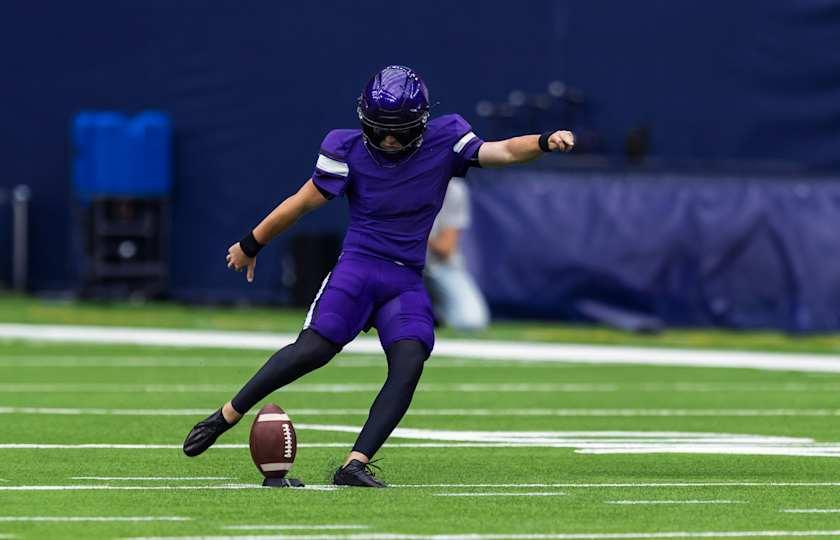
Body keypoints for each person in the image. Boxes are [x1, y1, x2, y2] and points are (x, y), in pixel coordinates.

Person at [182, 65, 574, 488]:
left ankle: (355, 463)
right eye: (380, 129)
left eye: (400, 131)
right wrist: (250, 243)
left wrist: (543, 142)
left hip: (405, 279)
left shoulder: (446, 139)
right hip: (359, 268)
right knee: (311, 350)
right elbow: (301, 203)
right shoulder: (346, 148)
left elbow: (503, 151)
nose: (389, 139)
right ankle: (225, 416)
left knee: (409, 361)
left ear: (421, 124)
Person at [425, 178, 490, 331]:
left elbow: (445, 247)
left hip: (437, 265)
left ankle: (436, 312)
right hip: (396, 263)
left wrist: (409, 231)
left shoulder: (452, 188)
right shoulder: (395, 179)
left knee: (471, 321)